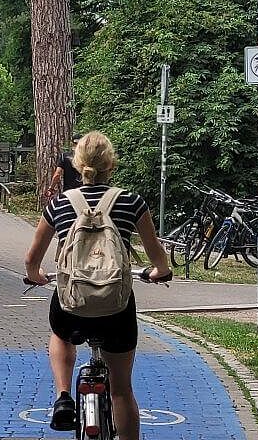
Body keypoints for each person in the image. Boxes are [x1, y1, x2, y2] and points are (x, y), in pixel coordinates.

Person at [24, 131, 171, 440]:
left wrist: (37, 275)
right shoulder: (132, 202)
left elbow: (31, 260)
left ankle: (63, 395)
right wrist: (160, 271)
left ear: (77, 167)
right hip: (116, 307)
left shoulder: (60, 204)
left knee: (60, 333)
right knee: (121, 390)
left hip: (72, 303)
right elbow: (157, 256)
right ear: (111, 165)